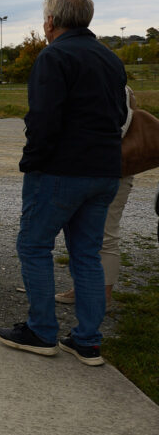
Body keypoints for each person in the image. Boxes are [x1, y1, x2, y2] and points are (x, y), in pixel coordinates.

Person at [0, 0, 126, 366]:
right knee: (87, 253)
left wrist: (31, 162)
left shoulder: (54, 55)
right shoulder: (110, 57)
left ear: (51, 21)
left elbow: (44, 118)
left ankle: (41, 331)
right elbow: (120, 114)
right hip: (105, 169)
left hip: (60, 170)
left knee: (34, 246)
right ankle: (88, 341)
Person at [55, 87, 135, 310]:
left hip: (112, 170)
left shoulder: (118, 88)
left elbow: (118, 129)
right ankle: (83, 289)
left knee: (106, 234)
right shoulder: (93, 83)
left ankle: (103, 296)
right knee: (81, 233)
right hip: (90, 169)